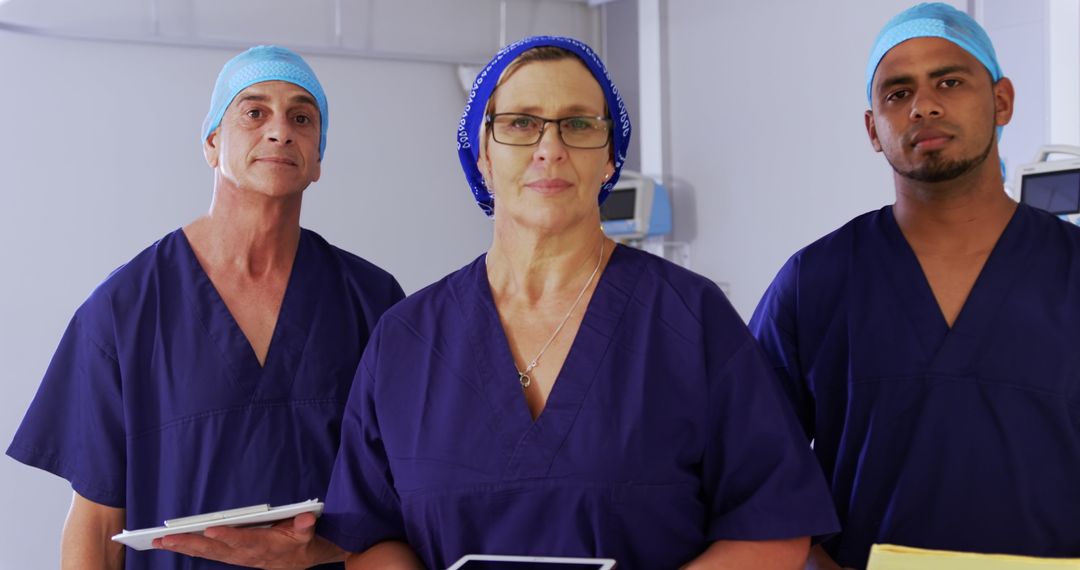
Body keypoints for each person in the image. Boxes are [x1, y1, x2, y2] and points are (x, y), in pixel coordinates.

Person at [317, 35, 839, 569]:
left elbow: (772, 527)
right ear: (483, 157)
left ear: (610, 158)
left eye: (579, 124)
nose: (550, 148)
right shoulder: (406, 338)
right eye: (521, 123)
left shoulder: (690, 319)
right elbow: (371, 536)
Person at [6, 45, 404, 569]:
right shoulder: (124, 310)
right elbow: (96, 521)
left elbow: (399, 501)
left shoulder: (372, 302)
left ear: (318, 160)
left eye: (302, 118)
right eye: (254, 112)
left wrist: (316, 551)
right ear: (213, 143)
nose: (280, 130)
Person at [749, 4, 1080, 569]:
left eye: (949, 81)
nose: (923, 105)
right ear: (873, 128)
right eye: (897, 94)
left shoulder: (1070, 271)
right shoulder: (816, 283)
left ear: (1002, 101)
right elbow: (749, 468)